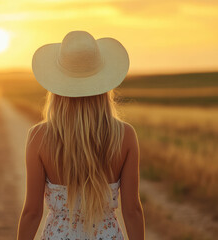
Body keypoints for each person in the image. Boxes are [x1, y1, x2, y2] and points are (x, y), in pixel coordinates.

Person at [17, 31, 145, 240]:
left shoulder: (38, 137)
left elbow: (32, 212)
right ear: (104, 86)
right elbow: (132, 211)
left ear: (56, 88)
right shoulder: (126, 136)